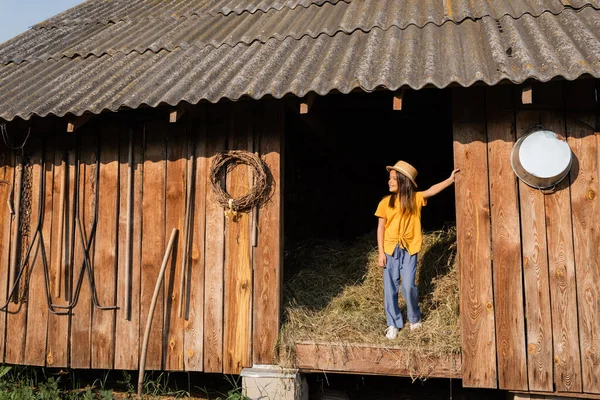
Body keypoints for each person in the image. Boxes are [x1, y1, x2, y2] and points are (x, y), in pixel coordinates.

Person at [374, 160, 459, 340]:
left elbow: (432, 190)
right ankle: (393, 323)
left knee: (408, 285)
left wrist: (450, 180)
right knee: (390, 288)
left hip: (409, 248)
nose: (389, 182)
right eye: (389, 179)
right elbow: (381, 228)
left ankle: (414, 317)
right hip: (390, 249)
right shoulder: (385, 203)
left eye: (393, 179)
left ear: (403, 182)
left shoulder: (415, 199)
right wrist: (381, 253)